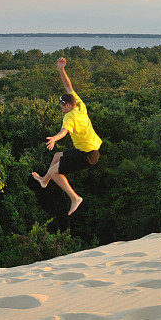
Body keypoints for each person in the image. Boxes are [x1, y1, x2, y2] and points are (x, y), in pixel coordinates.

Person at [32, 57, 102, 215]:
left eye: (62, 106)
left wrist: (54, 138)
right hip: (85, 149)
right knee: (57, 156)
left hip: (88, 155)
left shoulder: (70, 117)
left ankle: (75, 198)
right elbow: (68, 86)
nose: (61, 109)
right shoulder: (79, 105)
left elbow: (64, 131)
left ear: (69, 105)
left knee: (54, 172)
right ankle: (44, 181)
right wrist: (61, 69)